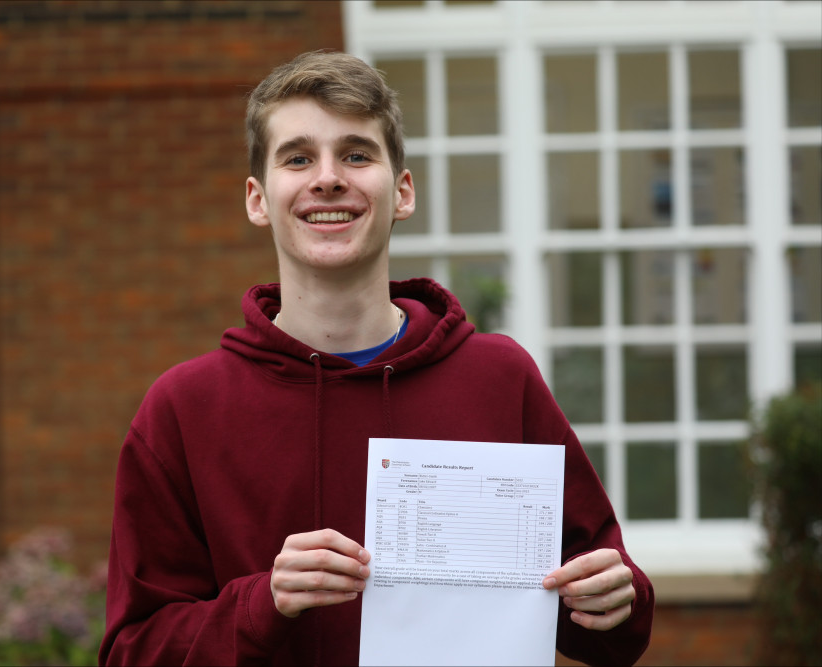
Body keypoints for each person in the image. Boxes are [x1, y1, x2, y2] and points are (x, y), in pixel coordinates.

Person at [99, 50, 654, 666]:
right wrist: (263, 603)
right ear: (258, 199)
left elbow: (608, 619)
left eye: (357, 154)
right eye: (298, 157)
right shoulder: (184, 409)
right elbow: (132, 650)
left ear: (402, 191)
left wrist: (613, 598)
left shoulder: (498, 378)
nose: (328, 177)